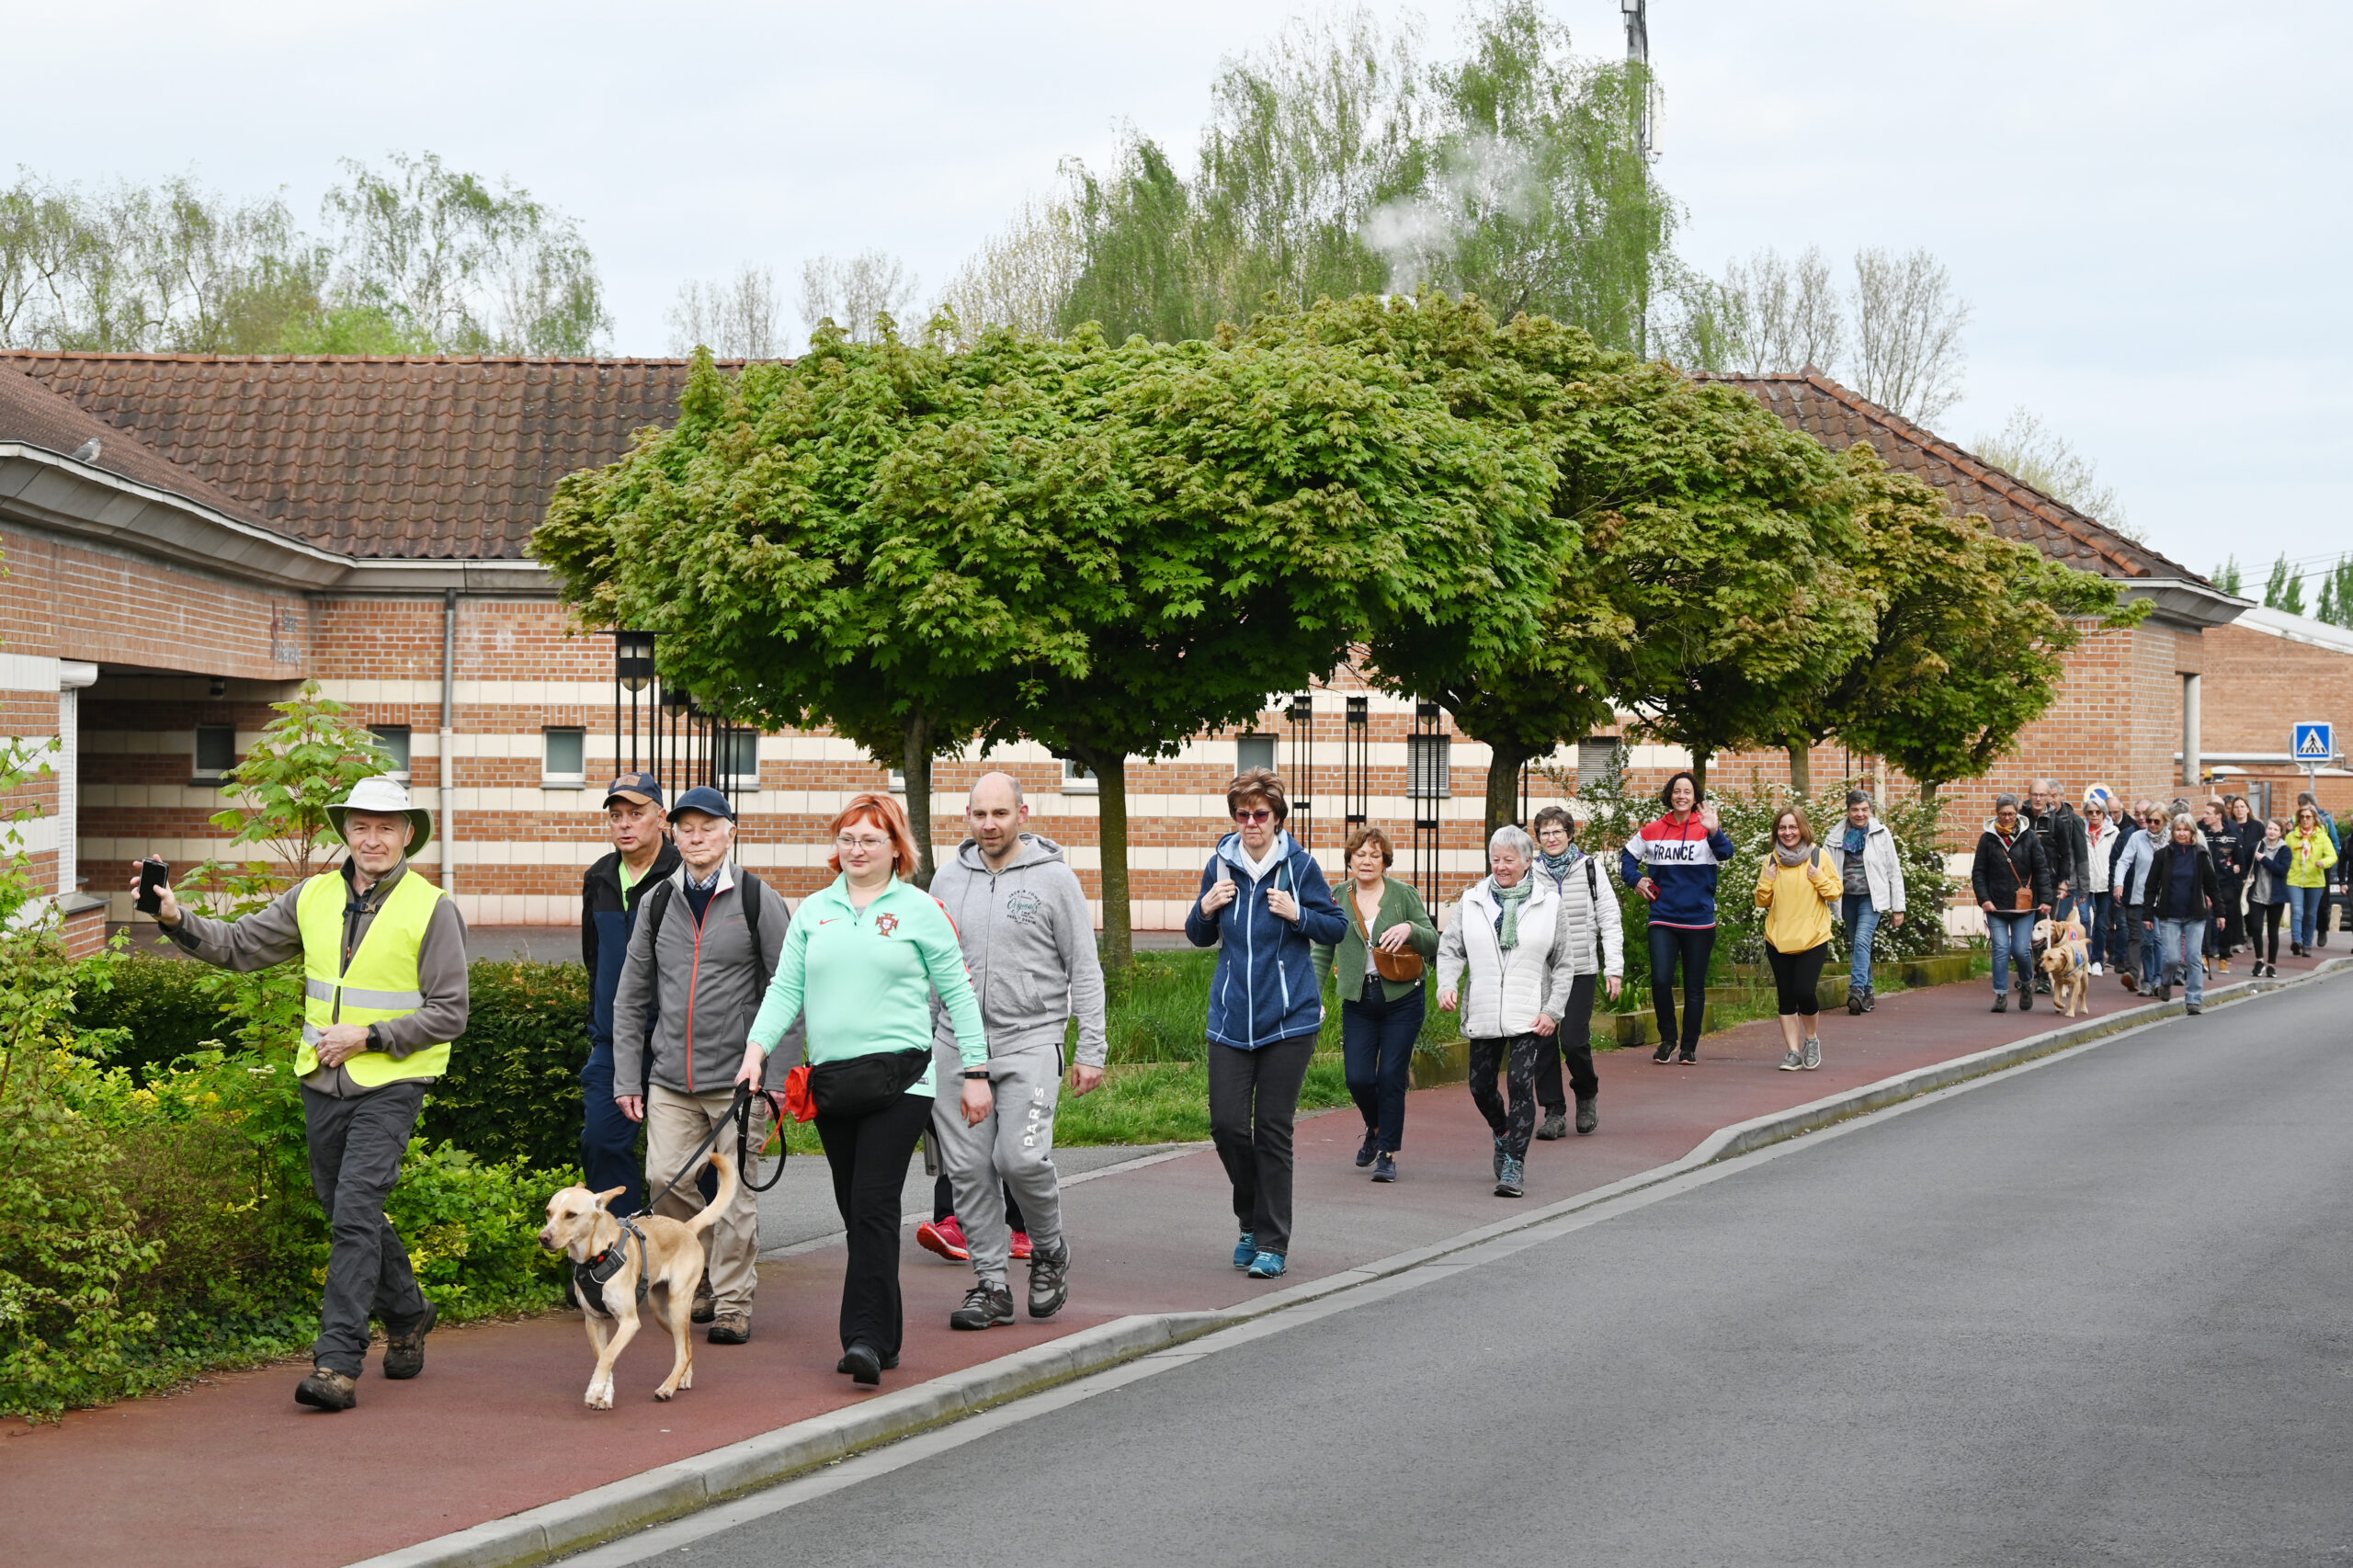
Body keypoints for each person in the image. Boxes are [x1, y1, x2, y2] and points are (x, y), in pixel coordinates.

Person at [134, 778, 466, 1413]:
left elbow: (450, 1013)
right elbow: (237, 947)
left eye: (387, 828)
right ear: (346, 832)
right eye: (362, 826)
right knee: (346, 1207)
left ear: (407, 836)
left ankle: (337, 1365)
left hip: (394, 1080)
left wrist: (369, 1036)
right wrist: (173, 916)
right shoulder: (312, 895)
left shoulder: (433, 908)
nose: (373, 839)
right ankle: (408, 1310)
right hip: (322, 1077)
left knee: (354, 1213)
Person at [744, 792, 988, 1386]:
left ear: (896, 848)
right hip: (832, 1084)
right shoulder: (814, 912)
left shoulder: (920, 910)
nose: (856, 849)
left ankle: (865, 1339)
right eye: (847, 838)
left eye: (870, 839)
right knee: (857, 1212)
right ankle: (891, 1329)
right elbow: (784, 990)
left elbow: (958, 993)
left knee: (874, 1204)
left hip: (901, 1082)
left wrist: (976, 1074)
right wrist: (755, 1053)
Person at [610, 786, 792, 1346]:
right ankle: (706, 1276)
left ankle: (734, 1302)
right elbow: (630, 993)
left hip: (741, 1080)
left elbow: (788, 992)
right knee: (665, 1180)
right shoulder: (657, 901)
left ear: (730, 832)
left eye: (708, 827)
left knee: (735, 1195)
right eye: (686, 828)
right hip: (669, 1075)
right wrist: (626, 1077)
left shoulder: (759, 899)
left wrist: (776, 1079)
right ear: (673, 833)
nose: (696, 837)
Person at [925, 772, 1108, 1330]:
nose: (989, 824)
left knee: (1019, 1158)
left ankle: (1049, 1248)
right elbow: (929, 968)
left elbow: (1084, 967)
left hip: (1030, 1039)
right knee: (968, 1169)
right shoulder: (947, 880)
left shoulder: (1054, 880)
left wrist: (1091, 1046)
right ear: (968, 815)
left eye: (1000, 814)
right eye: (980, 814)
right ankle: (991, 1284)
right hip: (955, 1043)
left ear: (1022, 814)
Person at [1184, 769, 1345, 1279]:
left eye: (1260, 815)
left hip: (1289, 1019)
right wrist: (1204, 908)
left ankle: (1272, 1243)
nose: (1250, 823)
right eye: (1242, 814)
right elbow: (1199, 936)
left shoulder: (1300, 867)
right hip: (1231, 1017)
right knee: (1228, 1126)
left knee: (1272, 1131)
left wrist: (1299, 914)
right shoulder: (1220, 863)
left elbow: (1335, 925)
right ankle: (1250, 1219)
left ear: (1277, 818)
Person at [1436, 824, 1579, 1199]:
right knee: (1481, 1087)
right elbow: (1450, 950)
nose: (1500, 867)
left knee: (1519, 1085)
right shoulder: (1472, 901)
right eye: (1495, 859)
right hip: (1484, 1009)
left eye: (1509, 860)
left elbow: (1564, 963)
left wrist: (1553, 1011)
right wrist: (1447, 984)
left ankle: (1514, 1163)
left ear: (1528, 862)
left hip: (1531, 1012)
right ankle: (1502, 1133)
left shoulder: (1549, 904)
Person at [1312, 825, 1438, 1182]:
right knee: (1358, 1078)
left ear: (1385, 861)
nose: (1367, 861)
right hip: (1359, 999)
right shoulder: (1335, 896)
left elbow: (1432, 942)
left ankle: (1387, 1154)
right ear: (1350, 860)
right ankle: (1375, 1126)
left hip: (1402, 998)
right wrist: (1312, 995)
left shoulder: (1404, 895)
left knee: (1391, 1076)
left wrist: (1410, 930)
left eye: (1374, 855)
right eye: (1360, 855)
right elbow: (1322, 950)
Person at [579, 772, 677, 1225]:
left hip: (675, 1042)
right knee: (601, 1142)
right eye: (616, 816)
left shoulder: (683, 875)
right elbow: (594, 961)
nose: (624, 824)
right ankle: (620, 1252)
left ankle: (693, 1262)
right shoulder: (598, 877)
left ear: (661, 817)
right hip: (614, 1043)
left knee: (682, 1161)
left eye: (636, 814)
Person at [1620, 770, 1736, 1064]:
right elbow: (1627, 858)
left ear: (1695, 797)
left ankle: (1689, 1046)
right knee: (1660, 981)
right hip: (1663, 917)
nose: (1681, 796)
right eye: (1676, 791)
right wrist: (1636, 880)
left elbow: (1726, 854)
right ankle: (1668, 1038)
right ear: (1669, 795)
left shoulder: (1706, 827)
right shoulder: (1652, 830)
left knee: (1694, 986)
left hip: (1699, 920)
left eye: (1687, 791)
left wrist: (1714, 830)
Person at [1528, 805, 1623, 1137]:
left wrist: (1615, 969)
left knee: (1574, 1040)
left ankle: (1586, 1092)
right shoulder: (1531, 873)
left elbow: (1610, 920)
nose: (1551, 838)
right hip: (1542, 974)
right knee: (1543, 1040)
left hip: (1581, 969)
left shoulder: (1591, 869)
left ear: (1570, 835)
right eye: (1545, 833)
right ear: (1538, 838)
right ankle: (1553, 1111)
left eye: (1558, 832)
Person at [1756, 806, 1844, 1070]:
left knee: (1804, 991)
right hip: (1778, 938)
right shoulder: (1771, 861)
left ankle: (1811, 1039)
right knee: (1785, 996)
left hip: (1812, 938)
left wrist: (1818, 879)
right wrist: (1767, 881)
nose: (1788, 832)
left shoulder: (1818, 857)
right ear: (1776, 832)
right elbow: (1762, 900)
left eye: (1793, 827)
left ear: (1802, 829)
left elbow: (1835, 893)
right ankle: (1793, 1052)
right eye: (1782, 828)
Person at [1972, 792, 2052, 1014]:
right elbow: (1978, 872)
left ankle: (2026, 983)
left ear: (2017, 813)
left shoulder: (2030, 837)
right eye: (2002, 814)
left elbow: (2041, 870)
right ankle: (2000, 995)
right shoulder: (1987, 839)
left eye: (2011, 814)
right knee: (2000, 948)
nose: (2007, 818)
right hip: (1996, 905)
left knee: (2021, 950)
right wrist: (1984, 899)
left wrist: (2046, 899)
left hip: (2023, 905)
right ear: (1996, 814)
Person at [1831, 790, 1906, 1014]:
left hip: (1872, 899)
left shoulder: (1881, 834)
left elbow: (1894, 871)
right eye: (1855, 809)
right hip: (1846, 899)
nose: (1860, 814)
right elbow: (1826, 869)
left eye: (1864, 809)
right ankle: (1869, 992)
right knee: (1858, 945)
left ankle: (1856, 990)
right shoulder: (1835, 836)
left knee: (1863, 940)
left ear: (1870, 811)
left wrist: (1898, 907)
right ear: (1847, 811)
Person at [2143, 812, 2220, 1013]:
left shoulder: (2201, 854)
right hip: (2170, 914)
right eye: (2178, 829)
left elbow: (2212, 885)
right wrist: (2147, 914)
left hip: (2195, 914)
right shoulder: (2163, 855)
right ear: (2172, 831)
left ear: (2193, 832)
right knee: (2172, 958)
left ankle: (2194, 998)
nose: (2182, 833)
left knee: (2194, 957)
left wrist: (2220, 912)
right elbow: (2151, 886)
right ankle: (2166, 981)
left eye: (2186, 829)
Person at [2024, 778, 2085, 993]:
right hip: (2022, 884)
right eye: (2035, 795)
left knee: (2043, 932)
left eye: (2043, 795)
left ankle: (2042, 977)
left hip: (2048, 884)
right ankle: (2026, 973)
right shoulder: (2021, 819)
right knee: (2023, 934)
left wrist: (2064, 882)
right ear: (2029, 795)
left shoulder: (2056, 822)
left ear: (2049, 796)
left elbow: (2065, 854)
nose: (2039, 799)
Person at [2109, 802, 2165, 994]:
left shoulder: (2172, 839)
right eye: (2148, 820)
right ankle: (2148, 981)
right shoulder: (2137, 837)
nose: (2150, 824)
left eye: (2155, 821)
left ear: (2165, 821)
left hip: (2165, 897)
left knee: (2158, 937)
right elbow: (2123, 861)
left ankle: (2159, 978)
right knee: (2146, 940)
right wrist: (2119, 883)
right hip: (2142, 895)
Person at [2286, 801, 2340, 957]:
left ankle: (2307, 944)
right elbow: (2284, 854)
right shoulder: (2291, 837)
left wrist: (2324, 862)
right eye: (2302, 817)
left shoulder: (2322, 837)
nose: (2305, 819)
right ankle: (2297, 941)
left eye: (2308, 817)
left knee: (2310, 914)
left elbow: (2332, 855)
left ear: (2314, 819)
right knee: (2297, 911)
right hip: (2295, 879)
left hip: (2315, 880)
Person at [2197, 800, 2244, 974]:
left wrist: (2236, 880)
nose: (2204, 816)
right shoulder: (2202, 835)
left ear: (2219, 816)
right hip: (2205, 884)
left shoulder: (2232, 835)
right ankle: (2204, 955)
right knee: (2204, 919)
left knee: (2225, 921)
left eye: (2208, 813)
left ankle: (2224, 956)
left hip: (2226, 885)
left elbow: (2241, 863)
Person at [2079, 792, 2120, 979]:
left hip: (2105, 884)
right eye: (2090, 812)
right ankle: (2085, 959)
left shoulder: (2114, 832)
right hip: (2085, 884)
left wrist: (2116, 882)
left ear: (2104, 813)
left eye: (2098, 812)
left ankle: (2098, 960)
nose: (2094, 815)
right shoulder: (2080, 831)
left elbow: (2117, 859)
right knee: (2085, 920)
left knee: (2101, 924)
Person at [2245, 818, 2290, 978]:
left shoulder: (2285, 850)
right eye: (2269, 828)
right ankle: (2259, 960)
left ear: (2280, 833)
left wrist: (2263, 859)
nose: (2271, 832)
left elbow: (2282, 870)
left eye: (2275, 829)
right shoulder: (2256, 847)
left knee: (2273, 932)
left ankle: (2271, 964)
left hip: (2276, 896)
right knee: (2256, 928)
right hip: (2257, 894)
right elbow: (2247, 865)